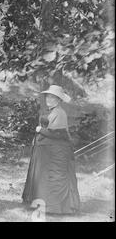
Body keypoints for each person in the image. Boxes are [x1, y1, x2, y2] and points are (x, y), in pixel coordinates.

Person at [22, 85, 80, 214]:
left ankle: (56, 208)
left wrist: (40, 130)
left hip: (56, 151)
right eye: (48, 96)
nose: (49, 99)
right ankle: (43, 204)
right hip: (46, 149)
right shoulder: (50, 110)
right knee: (43, 176)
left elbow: (57, 134)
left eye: (53, 97)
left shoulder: (60, 113)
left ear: (59, 100)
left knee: (54, 177)